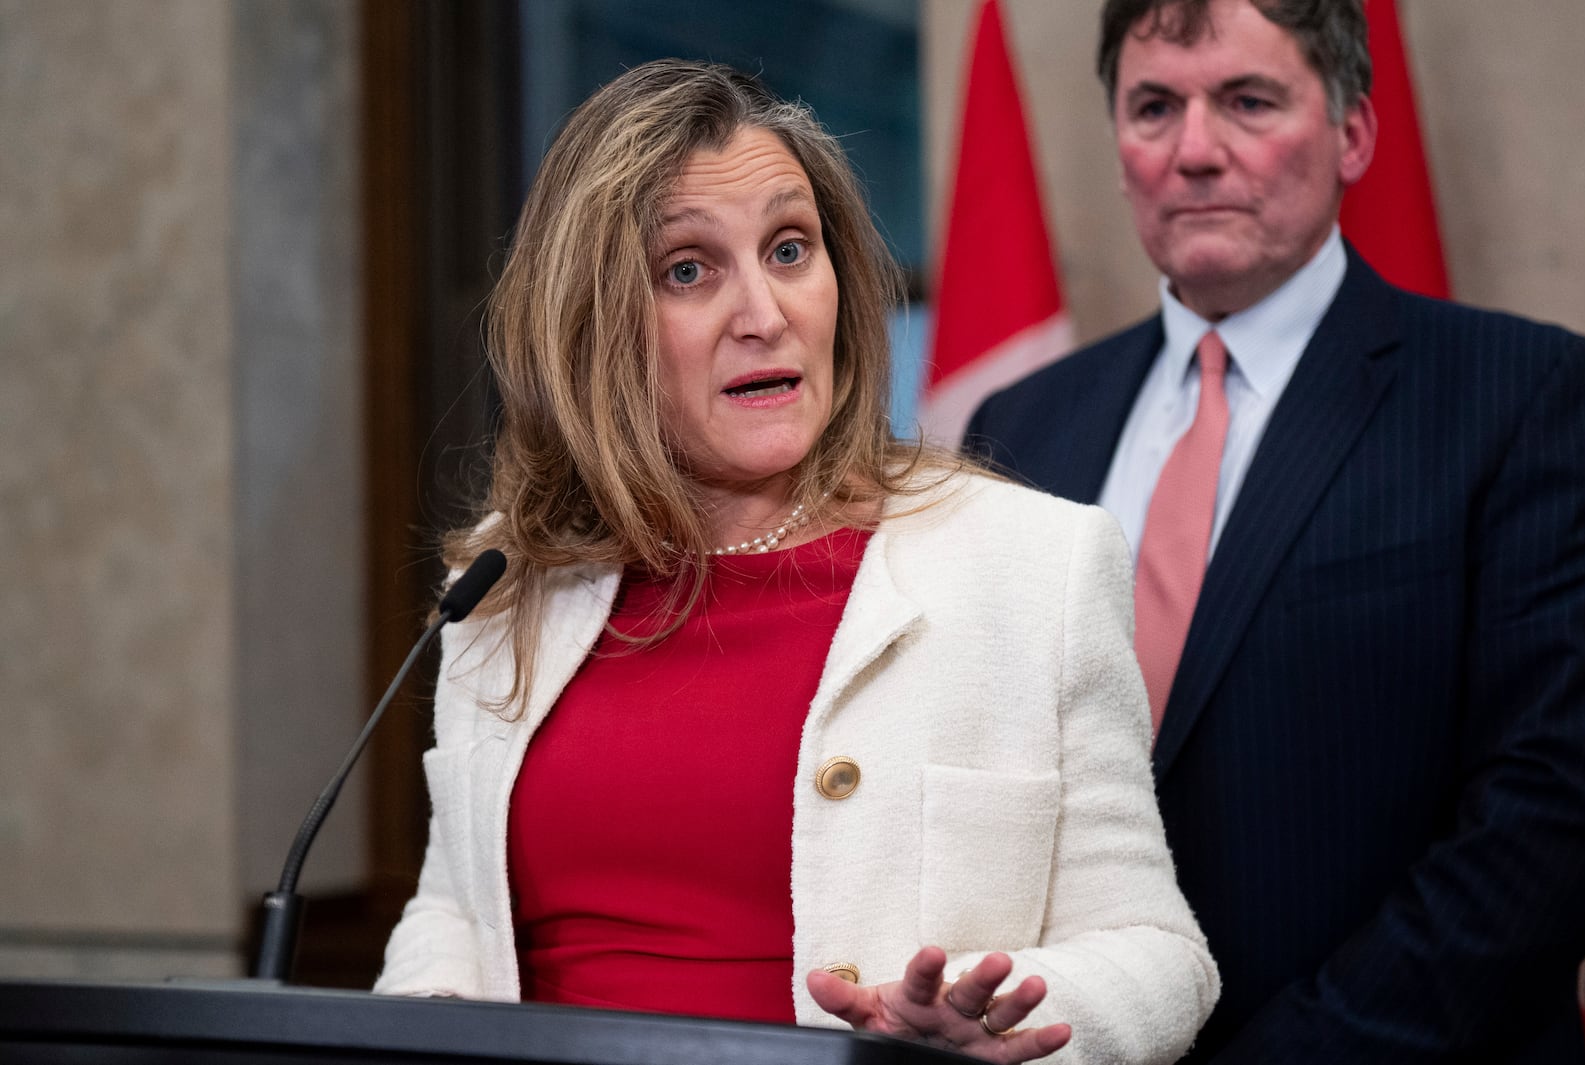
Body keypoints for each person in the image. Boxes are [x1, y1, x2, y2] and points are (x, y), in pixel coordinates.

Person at [373, 59, 1219, 1065]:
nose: (764, 313)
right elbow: (454, 918)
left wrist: (999, 1021)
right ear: (594, 331)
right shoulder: (507, 583)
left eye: (788, 249)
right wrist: (413, 1018)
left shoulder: (1029, 565)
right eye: (688, 269)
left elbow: (1160, 955)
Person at [964, 1, 1585, 1061]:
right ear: (1117, 144)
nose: (1196, 151)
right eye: (1154, 106)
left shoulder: (1524, 397)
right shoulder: (1023, 424)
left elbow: (1555, 811)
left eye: (1248, 101)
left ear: (1352, 133)